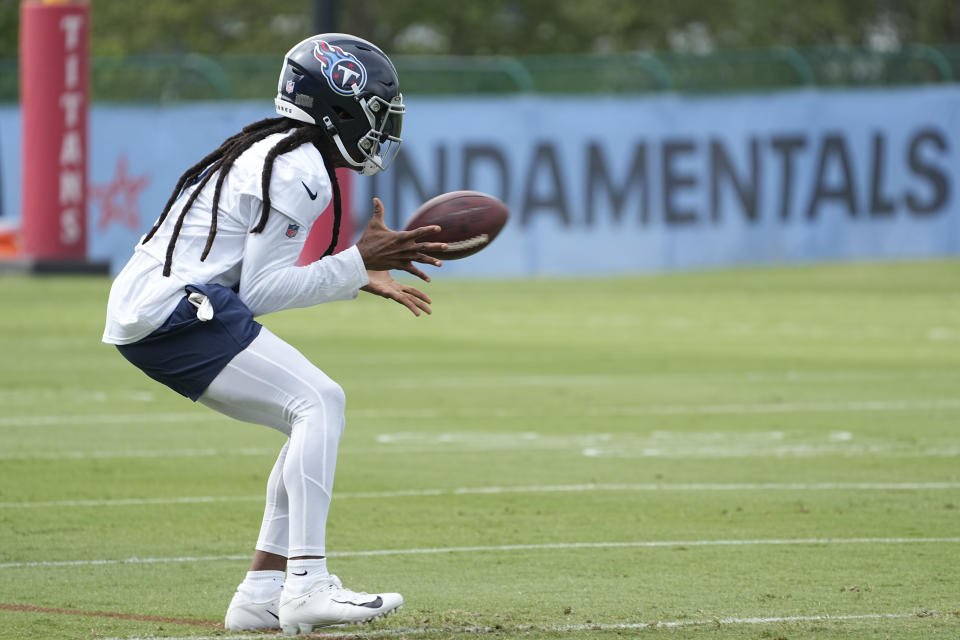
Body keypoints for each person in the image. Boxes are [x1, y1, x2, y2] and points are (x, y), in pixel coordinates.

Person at [101, 33, 446, 635]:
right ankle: (306, 583)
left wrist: (356, 270)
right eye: (376, 112)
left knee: (308, 409)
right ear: (338, 106)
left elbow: (249, 286)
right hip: (174, 308)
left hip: (155, 309)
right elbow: (260, 293)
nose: (384, 128)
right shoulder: (298, 165)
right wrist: (357, 263)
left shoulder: (278, 150)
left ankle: (261, 592)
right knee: (318, 402)